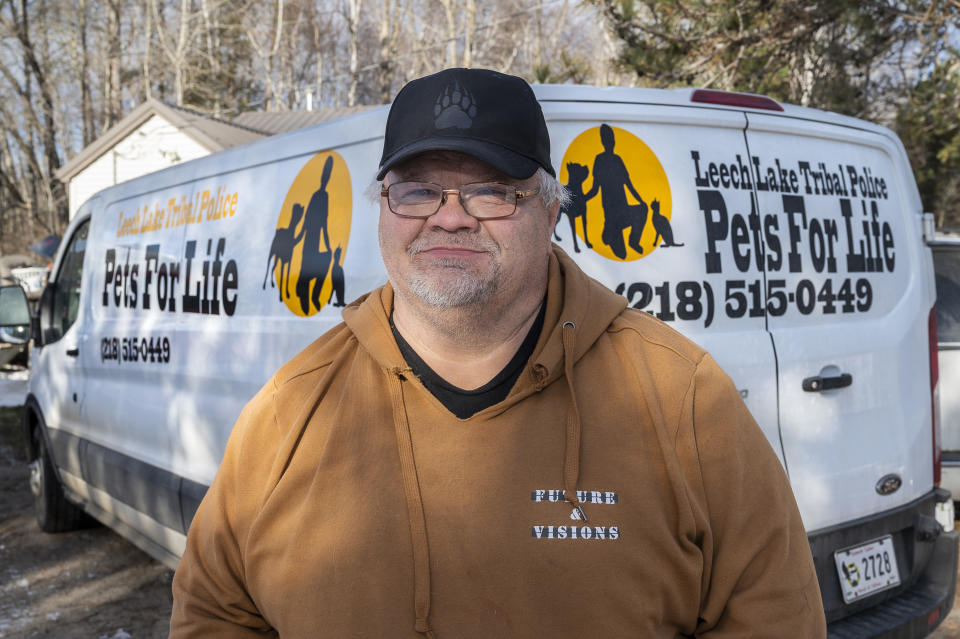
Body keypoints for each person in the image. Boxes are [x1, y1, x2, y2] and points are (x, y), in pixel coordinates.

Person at [170, 68, 825, 638]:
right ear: (383, 211)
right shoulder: (292, 408)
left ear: (550, 213)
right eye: (418, 189)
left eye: (490, 190)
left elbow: (774, 616)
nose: (449, 217)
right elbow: (215, 611)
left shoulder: (680, 395)